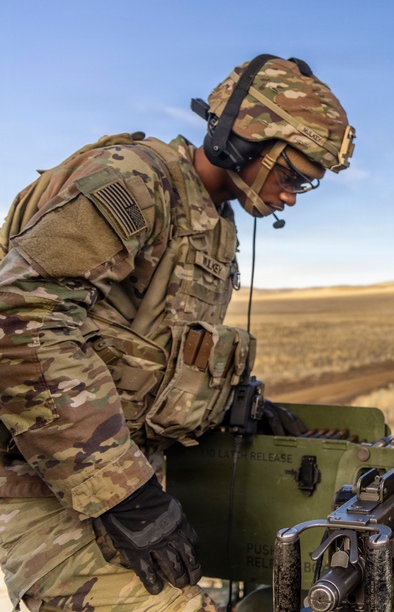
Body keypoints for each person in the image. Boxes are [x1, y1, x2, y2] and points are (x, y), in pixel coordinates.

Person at [0, 54, 354, 611]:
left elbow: (156, 352)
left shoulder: (215, 223)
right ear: (243, 139)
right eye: (290, 176)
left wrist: (231, 402)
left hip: (120, 475)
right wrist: (128, 496)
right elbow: (19, 323)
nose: (289, 197)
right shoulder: (134, 181)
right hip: (36, 483)